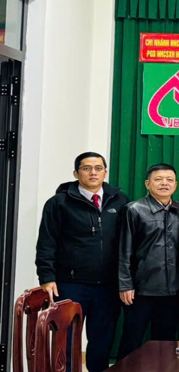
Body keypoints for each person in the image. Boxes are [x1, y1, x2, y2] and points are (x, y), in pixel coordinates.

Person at [35, 152, 129, 372]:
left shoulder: (120, 200)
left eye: (98, 168)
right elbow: (47, 242)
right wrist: (47, 277)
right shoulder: (59, 203)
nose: (93, 173)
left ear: (105, 172)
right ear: (76, 173)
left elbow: (127, 242)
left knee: (102, 340)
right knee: (66, 339)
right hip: (70, 284)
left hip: (108, 286)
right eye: (86, 168)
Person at [117, 163, 179, 359]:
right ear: (147, 184)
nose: (164, 183)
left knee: (166, 340)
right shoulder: (133, 209)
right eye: (158, 179)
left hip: (172, 288)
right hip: (140, 288)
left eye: (169, 180)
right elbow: (124, 250)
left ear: (176, 185)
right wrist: (125, 284)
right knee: (132, 338)